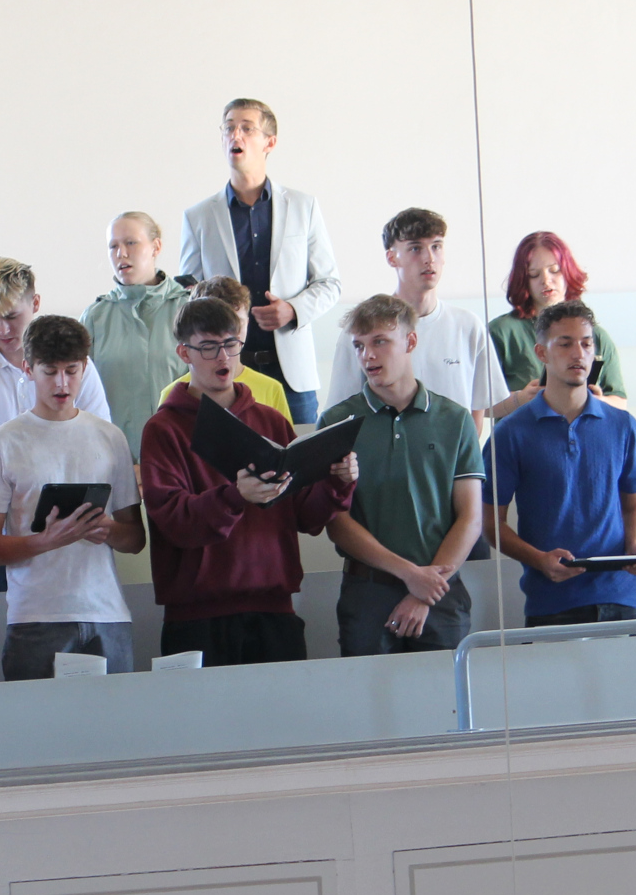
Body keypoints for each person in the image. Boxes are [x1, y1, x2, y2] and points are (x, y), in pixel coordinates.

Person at [142, 296, 356, 665]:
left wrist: (338, 482)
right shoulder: (164, 428)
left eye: (231, 344)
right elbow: (173, 521)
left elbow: (305, 516)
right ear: (184, 352)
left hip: (274, 607)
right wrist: (234, 496)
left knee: (283, 705)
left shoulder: (271, 420)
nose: (223, 357)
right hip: (197, 614)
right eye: (208, 347)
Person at [0, 316, 144, 678]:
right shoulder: (2, 443)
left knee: (118, 715)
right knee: (36, 716)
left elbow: (135, 539)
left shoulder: (110, 437)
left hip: (106, 613)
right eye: (50, 371)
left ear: (85, 368)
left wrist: (107, 529)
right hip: (35, 616)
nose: (62, 383)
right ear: (28, 369)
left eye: (72, 370)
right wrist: (45, 541)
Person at [321, 295, 485, 655]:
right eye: (359, 345)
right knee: (369, 691)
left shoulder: (455, 419)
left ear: (410, 341)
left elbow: (471, 518)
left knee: (447, 691)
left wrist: (424, 591)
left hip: (440, 589)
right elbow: (337, 522)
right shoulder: (335, 422)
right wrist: (411, 576)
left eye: (380, 341)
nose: (368, 356)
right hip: (368, 590)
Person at [490, 302, 636, 628]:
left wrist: (635, 545)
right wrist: (539, 560)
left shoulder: (623, 425)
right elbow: (490, 523)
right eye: (565, 344)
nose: (578, 353)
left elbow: (632, 507)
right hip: (551, 601)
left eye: (586, 343)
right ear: (542, 352)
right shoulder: (511, 432)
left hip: (620, 597)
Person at [177, 98, 342, 424]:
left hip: (290, 373)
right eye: (228, 128)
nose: (235, 135)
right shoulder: (198, 216)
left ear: (270, 142)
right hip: (224, 369)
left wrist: (293, 310)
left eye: (246, 128)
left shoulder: (303, 206)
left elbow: (330, 283)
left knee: (298, 454)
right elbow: (187, 294)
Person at [324, 207, 504, 430]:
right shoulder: (362, 330)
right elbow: (341, 415)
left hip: (449, 451)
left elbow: (477, 410)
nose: (429, 258)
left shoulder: (468, 326)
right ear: (392, 257)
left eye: (436, 246)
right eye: (416, 248)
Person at [0, 257, 111, 484]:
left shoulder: (75, 365)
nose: (2, 330)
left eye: (11, 316)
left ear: (35, 303)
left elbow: (99, 444)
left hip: (70, 494)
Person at [83, 211, 191, 460]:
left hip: (180, 458)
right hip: (114, 460)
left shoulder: (188, 309)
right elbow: (81, 396)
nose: (121, 253)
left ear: (156, 247)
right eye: (113, 246)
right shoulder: (95, 318)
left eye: (131, 242)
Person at [486, 231, 625, 404]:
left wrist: (595, 402)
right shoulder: (501, 332)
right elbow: (478, 403)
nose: (546, 280)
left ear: (568, 272)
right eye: (534, 274)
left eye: (554, 270)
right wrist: (520, 399)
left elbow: (619, 401)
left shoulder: (596, 335)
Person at [160, 278, 292, 414]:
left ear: (247, 323)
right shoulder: (172, 394)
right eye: (217, 325)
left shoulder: (271, 389)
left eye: (236, 323)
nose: (229, 333)